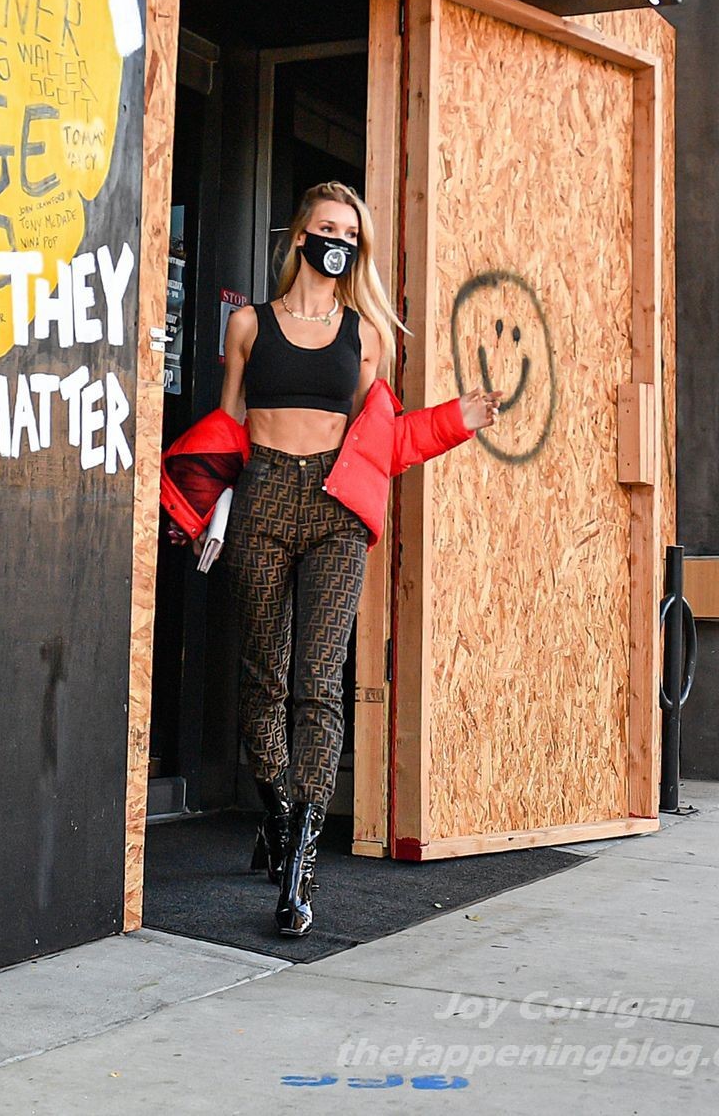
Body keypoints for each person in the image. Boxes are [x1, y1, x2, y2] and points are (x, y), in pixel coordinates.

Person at [213, 181, 499, 936]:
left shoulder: (366, 335)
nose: (337, 241)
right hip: (262, 495)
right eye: (327, 228)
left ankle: (300, 864)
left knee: (317, 681)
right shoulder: (249, 324)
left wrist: (457, 419)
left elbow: (386, 438)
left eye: (349, 233)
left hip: (335, 509)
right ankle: (280, 814)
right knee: (263, 677)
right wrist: (211, 507)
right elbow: (227, 426)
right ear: (300, 235)